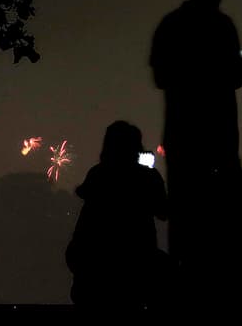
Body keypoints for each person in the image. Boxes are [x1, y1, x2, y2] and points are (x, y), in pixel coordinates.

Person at [150, 0, 242, 298]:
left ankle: (185, 290)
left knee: (186, 215)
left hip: (183, 137)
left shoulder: (171, 25)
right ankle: (227, 289)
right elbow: (232, 78)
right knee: (228, 215)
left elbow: (162, 76)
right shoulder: (222, 27)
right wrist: (231, 68)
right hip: (219, 140)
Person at [66, 121, 169, 307]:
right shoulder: (147, 177)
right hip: (137, 266)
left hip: (92, 270)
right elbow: (163, 211)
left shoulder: (97, 175)